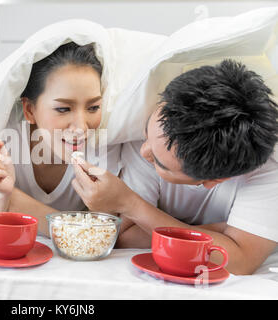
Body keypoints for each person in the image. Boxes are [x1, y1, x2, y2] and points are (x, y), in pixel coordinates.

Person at [71, 59, 278, 275]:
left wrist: (131, 204)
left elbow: (239, 262)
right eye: (146, 132)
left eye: (159, 163)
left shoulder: (270, 171)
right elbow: (124, 238)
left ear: (214, 181)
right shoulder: (153, 135)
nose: (143, 151)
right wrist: (222, 233)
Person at [0, 42, 121, 236]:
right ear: (30, 110)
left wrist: (15, 203)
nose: (82, 127)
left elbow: (104, 232)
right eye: (63, 109)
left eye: (93, 108)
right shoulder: (6, 137)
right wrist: (3, 195)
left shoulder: (106, 144)